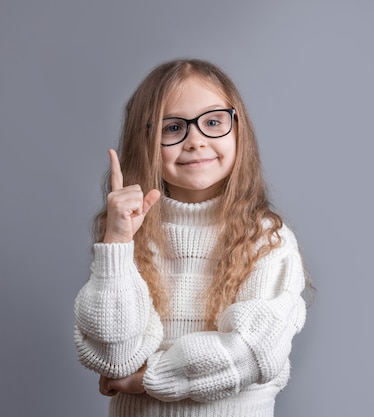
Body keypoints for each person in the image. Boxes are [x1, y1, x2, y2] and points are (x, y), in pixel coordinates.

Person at [74, 58, 313, 417]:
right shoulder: (130, 237)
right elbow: (114, 357)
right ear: (145, 141)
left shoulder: (267, 240)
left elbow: (252, 352)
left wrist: (148, 379)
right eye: (173, 128)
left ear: (238, 130)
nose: (195, 141)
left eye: (213, 122)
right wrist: (118, 243)